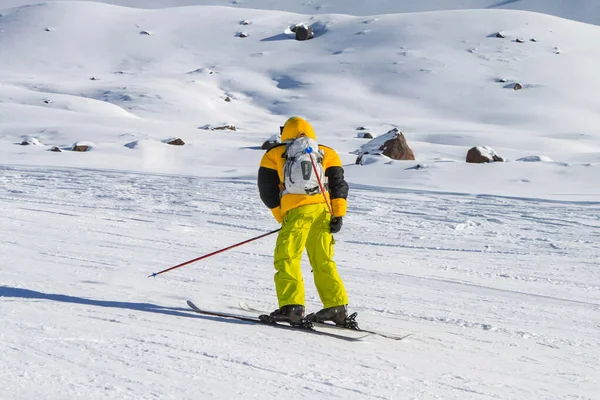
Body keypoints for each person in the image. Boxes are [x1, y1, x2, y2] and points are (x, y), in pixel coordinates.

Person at [258, 116, 352, 327]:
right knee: (323, 260)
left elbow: (267, 190)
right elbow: (338, 184)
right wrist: (338, 214)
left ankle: (292, 307)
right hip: (323, 211)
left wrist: (282, 215)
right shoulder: (327, 152)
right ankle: (336, 308)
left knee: (288, 257)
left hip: (296, 211)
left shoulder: (274, 153)